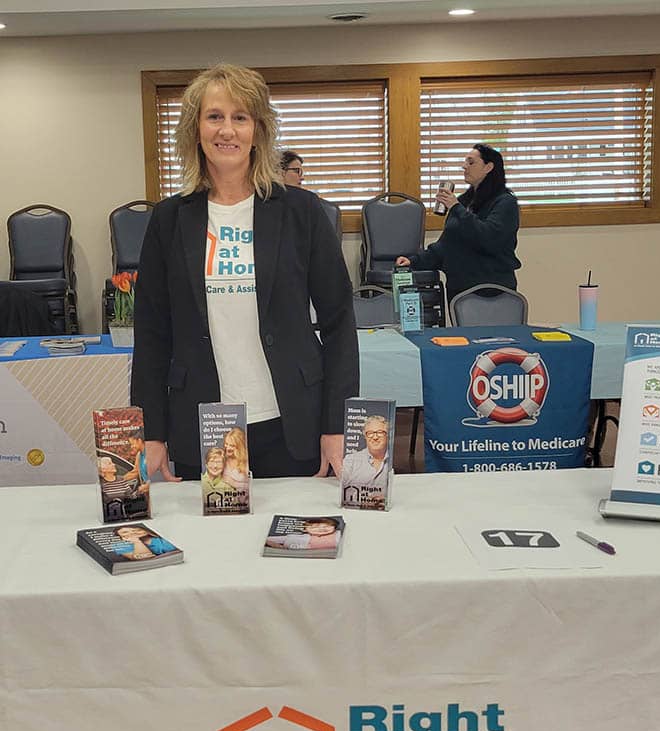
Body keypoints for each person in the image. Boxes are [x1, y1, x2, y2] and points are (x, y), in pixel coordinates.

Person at [131, 64, 358, 482]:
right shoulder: (168, 219)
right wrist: (154, 431)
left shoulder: (302, 212)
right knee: (212, 547)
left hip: (292, 421)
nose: (227, 130)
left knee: (293, 540)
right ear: (195, 129)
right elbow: (151, 332)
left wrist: (337, 425)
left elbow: (339, 321)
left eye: (240, 117)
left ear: (259, 129)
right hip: (204, 424)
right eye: (214, 116)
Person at [396, 143, 521, 300]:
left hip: (492, 289)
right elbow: (446, 246)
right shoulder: (464, 202)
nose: (464, 166)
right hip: (459, 289)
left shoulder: (505, 203)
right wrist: (414, 261)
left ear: (488, 167)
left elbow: (488, 238)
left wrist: (456, 208)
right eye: (464, 162)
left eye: (471, 162)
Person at [340, 414, 391, 503]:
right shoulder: (350, 461)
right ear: (365, 436)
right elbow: (341, 492)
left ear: (388, 435)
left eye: (380, 432)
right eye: (370, 433)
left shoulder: (392, 461)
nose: (375, 437)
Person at [266, 517, 341, 551]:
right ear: (305, 529)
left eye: (327, 526)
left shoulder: (338, 534)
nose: (321, 529)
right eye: (315, 527)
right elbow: (268, 539)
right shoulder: (296, 538)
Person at [113, 525, 177, 561]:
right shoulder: (119, 545)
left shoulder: (160, 539)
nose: (132, 533)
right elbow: (144, 558)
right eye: (125, 532)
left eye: (137, 530)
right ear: (120, 536)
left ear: (145, 531)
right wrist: (136, 541)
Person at [221, 426, 249, 492]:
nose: (227, 448)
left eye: (232, 445)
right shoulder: (222, 459)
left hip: (243, 499)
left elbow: (249, 485)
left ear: (240, 447)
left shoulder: (244, 462)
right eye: (226, 444)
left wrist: (233, 483)